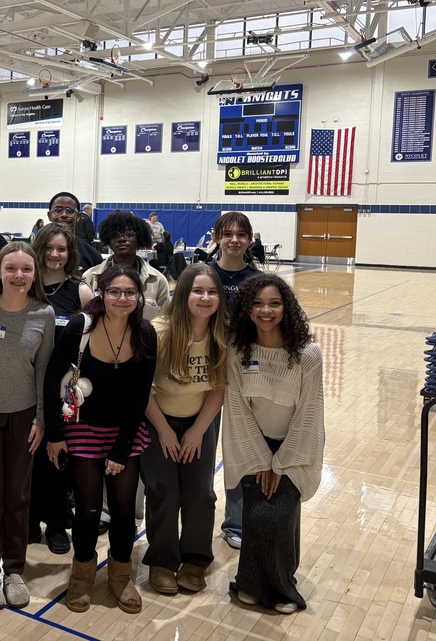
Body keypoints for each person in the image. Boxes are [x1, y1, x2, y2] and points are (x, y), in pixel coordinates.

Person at [44, 263, 156, 614]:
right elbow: (51, 381)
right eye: (114, 292)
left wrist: (123, 448)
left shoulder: (146, 333)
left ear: (138, 297)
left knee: (124, 511)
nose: (122, 299)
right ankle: (82, 574)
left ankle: (121, 575)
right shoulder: (80, 326)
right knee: (89, 509)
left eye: (129, 293)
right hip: (82, 429)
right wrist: (54, 434)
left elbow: (141, 396)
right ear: (102, 294)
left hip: (124, 432)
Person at [224, 274, 325, 613]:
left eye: (274, 303)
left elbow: (309, 413)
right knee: (255, 518)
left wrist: (280, 464)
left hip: (293, 449)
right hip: (252, 446)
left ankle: (283, 589)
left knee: (279, 518)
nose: (265, 310)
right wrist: (262, 460)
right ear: (247, 309)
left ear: (287, 308)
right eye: (257, 303)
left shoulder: (307, 355)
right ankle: (250, 584)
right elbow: (237, 409)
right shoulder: (239, 352)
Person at [0, 242, 54, 610]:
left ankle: (14, 569)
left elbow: (44, 371)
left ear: (35, 275)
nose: (19, 276)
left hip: (24, 417)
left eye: (26, 269)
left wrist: (40, 419)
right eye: (12, 268)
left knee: (18, 497)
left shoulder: (44, 313)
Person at [140, 263, 229, 596]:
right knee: (163, 491)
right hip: (157, 421)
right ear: (183, 294)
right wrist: (164, 431)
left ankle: (195, 560)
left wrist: (197, 431)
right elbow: (143, 391)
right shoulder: (159, 331)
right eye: (197, 291)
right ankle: (162, 562)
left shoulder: (222, 333)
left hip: (198, 421)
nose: (205, 298)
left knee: (200, 493)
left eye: (212, 292)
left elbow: (218, 388)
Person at [28, 223, 93, 554]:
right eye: (49, 248)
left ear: (70, 255)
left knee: (57, 455)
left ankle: (56, 523)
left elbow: (93, 342)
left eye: (62, 249)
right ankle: (27, 520)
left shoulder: (80, 291)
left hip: (62, 389)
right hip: (24, 383)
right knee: (28, 455)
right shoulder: (24, 283)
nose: (54, 254)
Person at [209, 211, 263, 549]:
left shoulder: (257, 280)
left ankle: (236, 522)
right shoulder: (202, 275)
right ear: (216, 237)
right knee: (201, 445)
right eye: (227, 233)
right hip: (206, 370)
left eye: (240, 235)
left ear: (249, 239)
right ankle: (198, 510)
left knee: (241, 447)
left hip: (246, 372)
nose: (233, 240)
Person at [82, 210, 170, 320]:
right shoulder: (90, 277)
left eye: (129, 234)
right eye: (115, 235)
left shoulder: (158, 281)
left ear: (140, 239)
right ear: (108, 240)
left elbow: (164, 321)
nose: (122, 239)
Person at [46, 192, 102, 272]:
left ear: (78, 216)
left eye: (70, 211)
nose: (64, 215)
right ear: (49, 215)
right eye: (58, 210)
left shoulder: (93, 255)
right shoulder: (36, 252)